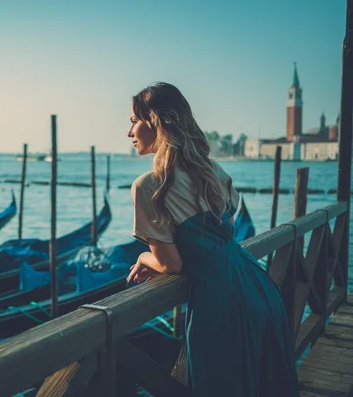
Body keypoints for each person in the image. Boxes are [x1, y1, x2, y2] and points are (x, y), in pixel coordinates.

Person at [125, 82, 300, 396]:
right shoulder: (211, 171)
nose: (129, 132)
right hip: (257, 286)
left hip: (220, 302)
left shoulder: (147, 186)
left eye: (133, 121)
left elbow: (172, 264)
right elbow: (223, 237)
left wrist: (142, 258)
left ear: (156, 123)